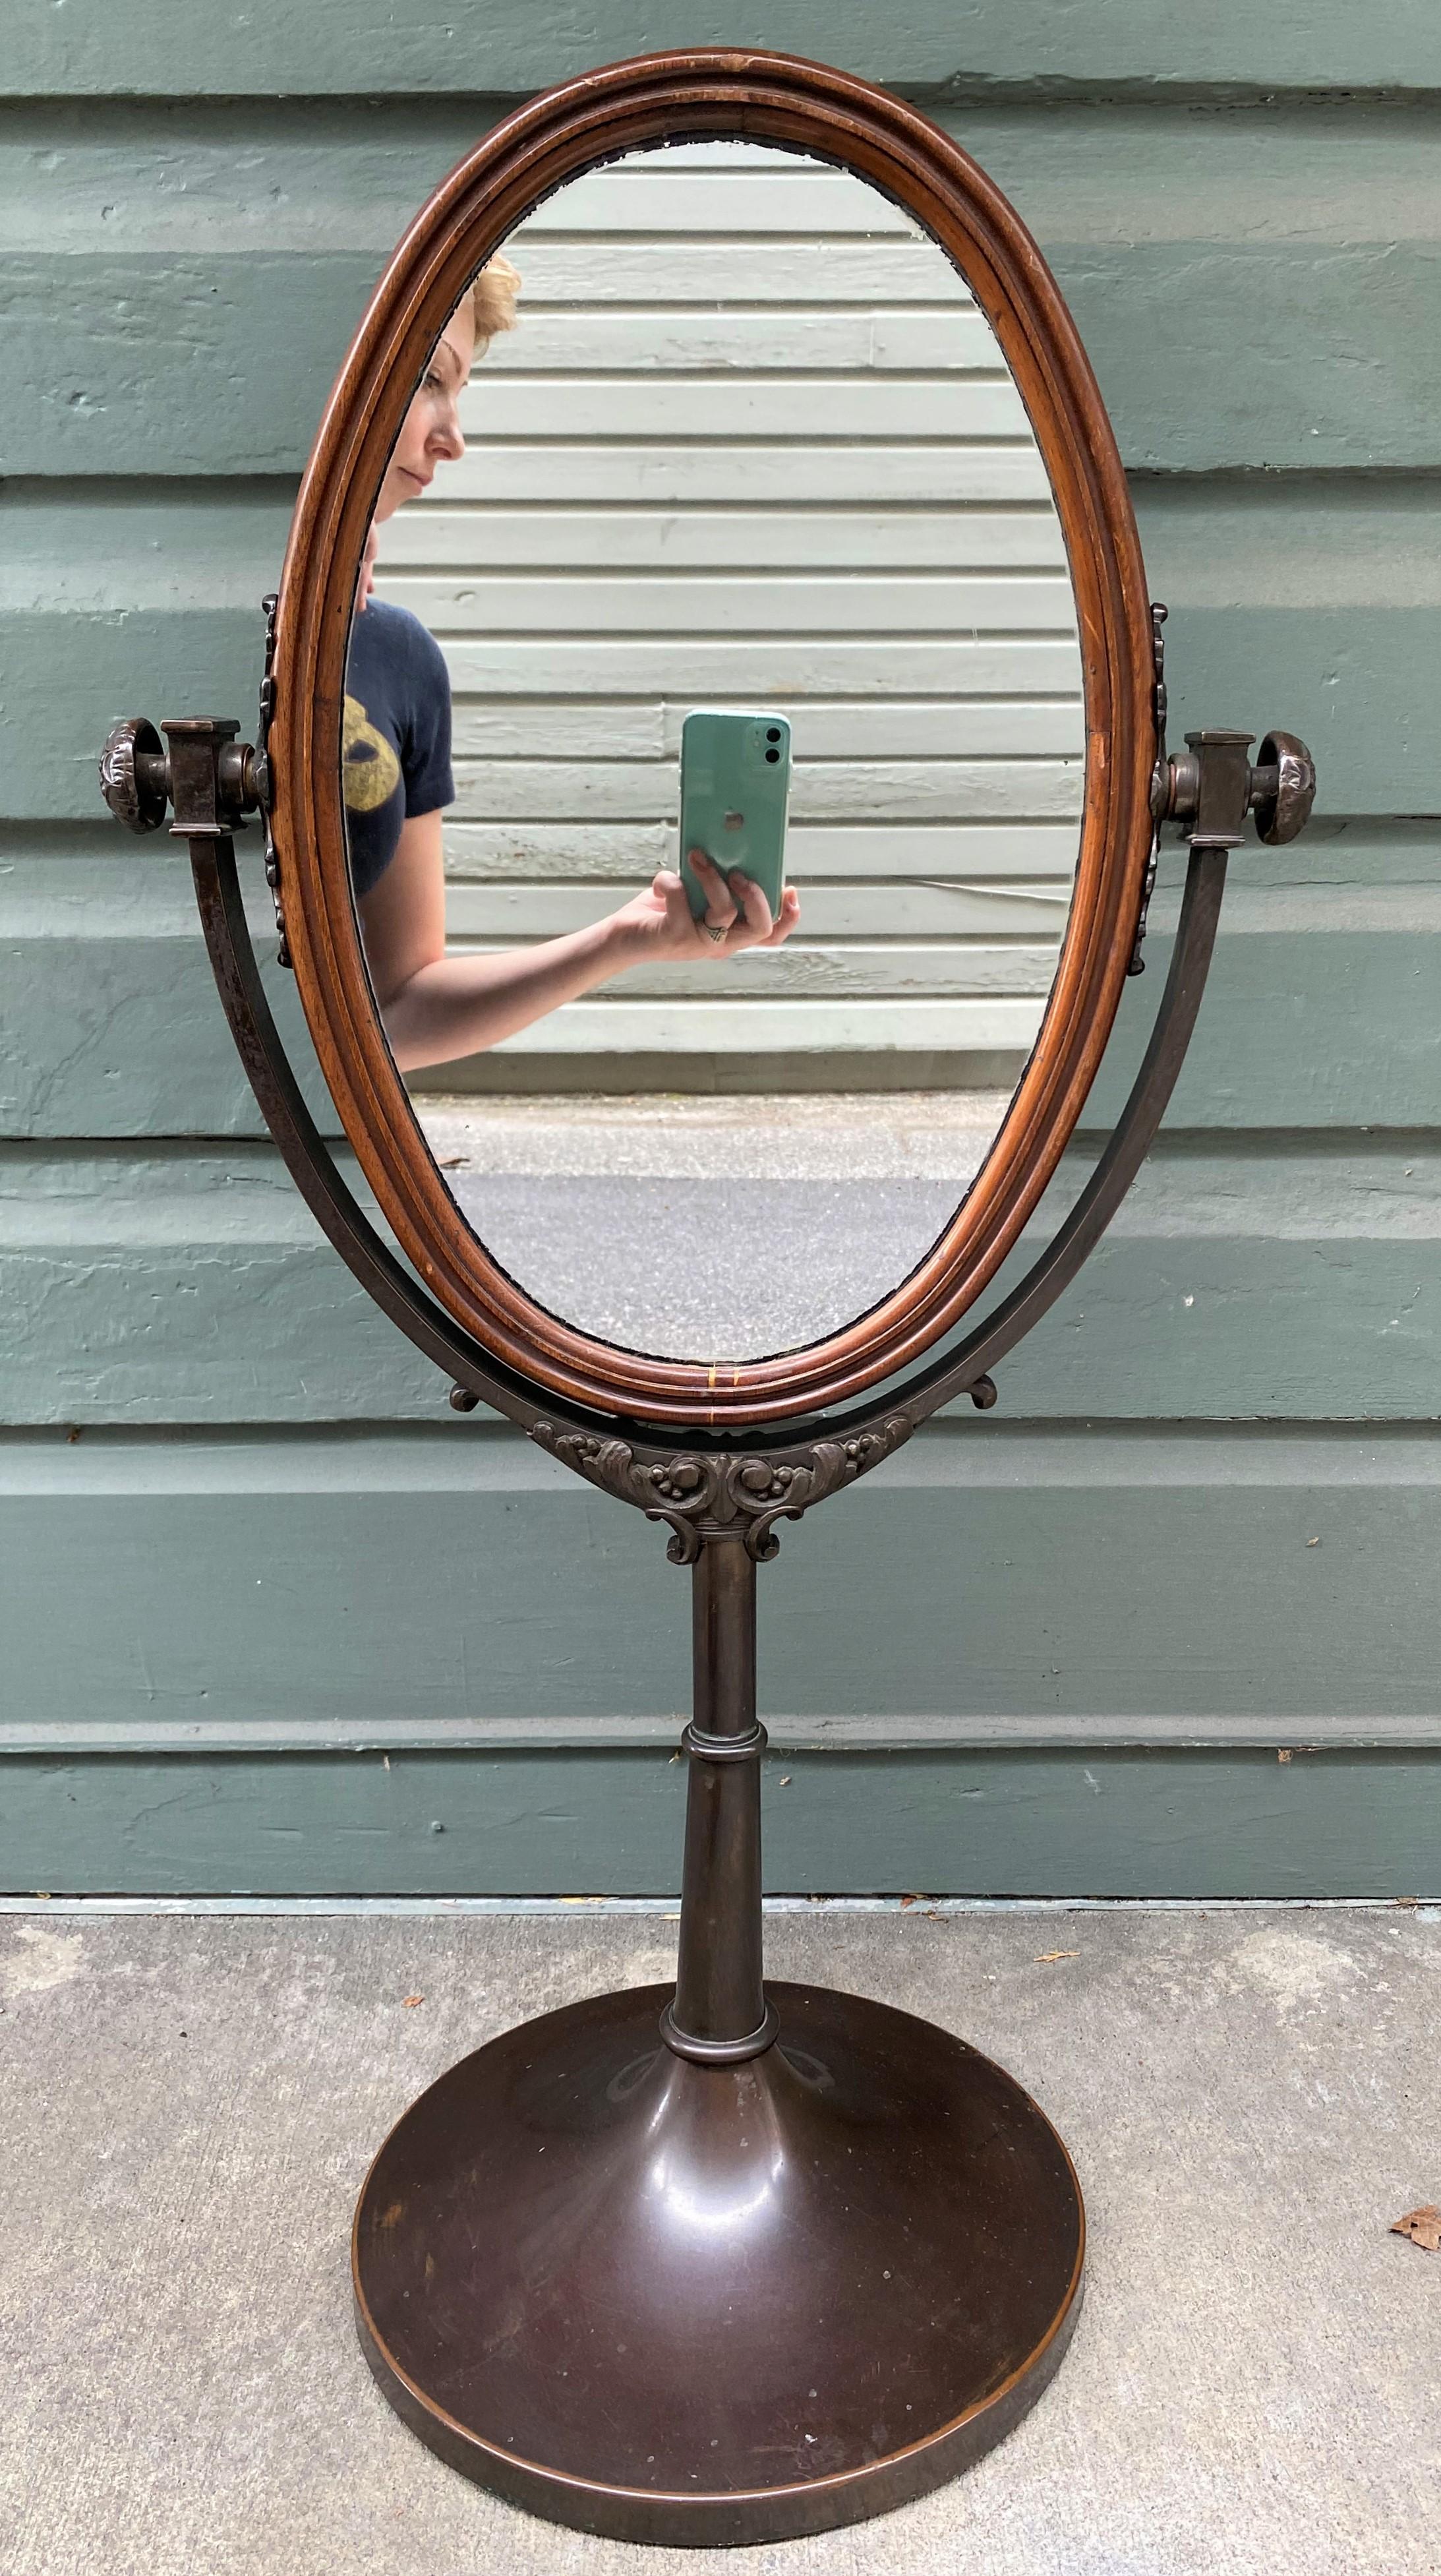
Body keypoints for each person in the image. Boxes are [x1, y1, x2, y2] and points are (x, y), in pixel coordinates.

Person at [342, 255, 800, 1072]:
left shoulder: (401, 660)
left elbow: (397, 1008)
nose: (452, 438)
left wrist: (624, 939)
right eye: (429, 380)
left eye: (460, 393)